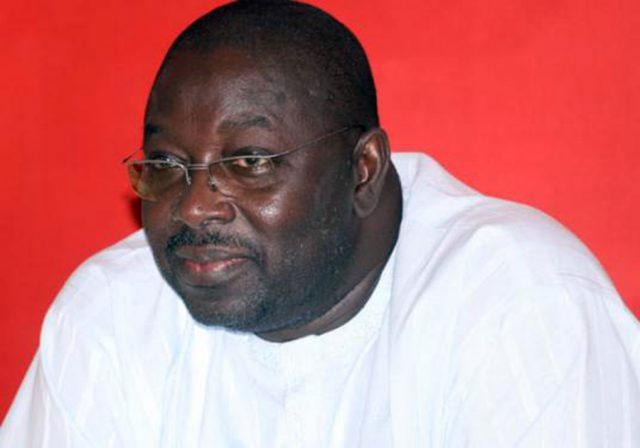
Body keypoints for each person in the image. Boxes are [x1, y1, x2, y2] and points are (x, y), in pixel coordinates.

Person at [2, 0, 639, 446]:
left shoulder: (518, 304)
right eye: (167, 165)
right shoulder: (114, 310)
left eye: (250, 162)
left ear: (362, 169)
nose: (193, 207)